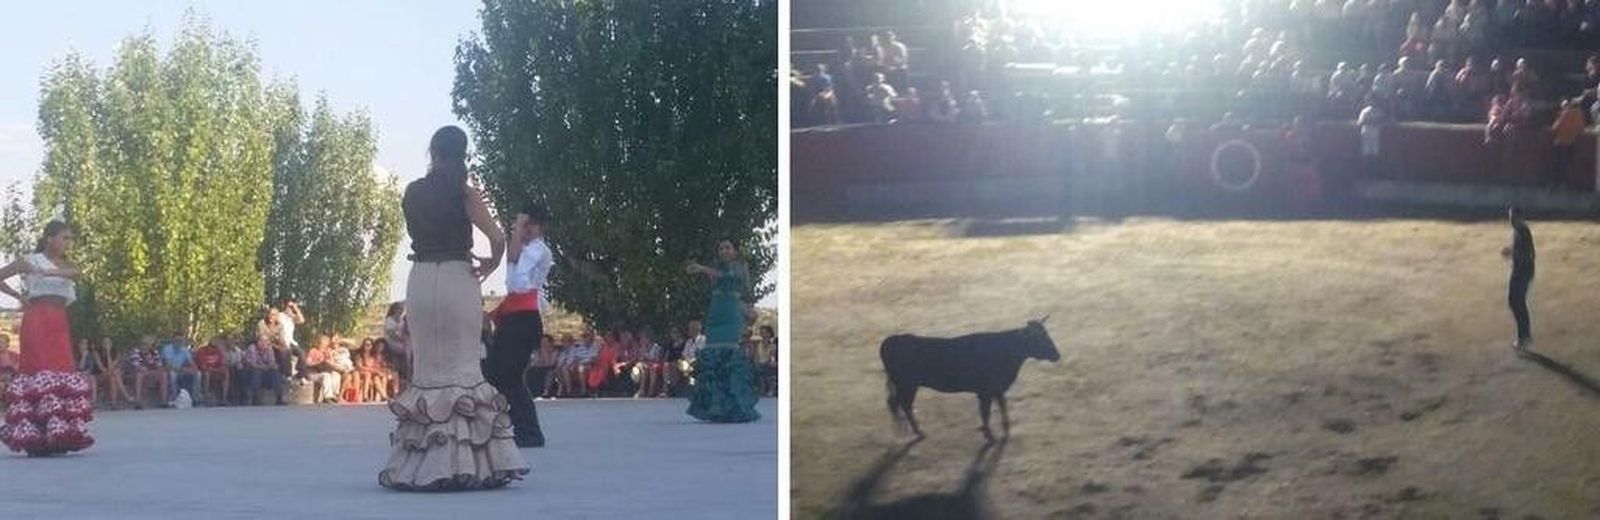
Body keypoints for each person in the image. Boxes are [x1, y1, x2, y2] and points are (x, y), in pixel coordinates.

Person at [379, 125, 528, 491]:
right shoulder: (464, 192)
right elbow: (495, 238)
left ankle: (418, 465)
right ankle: (467, 462)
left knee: (428, 370)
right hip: (457, 277)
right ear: (462, 153)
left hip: (420, 280)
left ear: (433, 152)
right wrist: (491, 263)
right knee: (463, 368)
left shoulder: (412, 192)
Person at [0, 221, 94, 455]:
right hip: (37, 319)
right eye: (64, 237)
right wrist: (18, 295)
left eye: (70, 238)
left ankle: (59, 435)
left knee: (62, 371)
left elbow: (76, 273)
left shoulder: (66, 265)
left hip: (58, 321)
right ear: (49, 238)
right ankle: (35, 437)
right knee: (40, 372)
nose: (68, 243)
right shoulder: (30, 260)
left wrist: (47, 271)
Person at [483, 204, 553, 447]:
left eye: (529, 224)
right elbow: (511, 269)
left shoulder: (538, 249)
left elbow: (514, 265)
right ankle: (512, 422)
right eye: (525, 224)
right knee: (495, 372)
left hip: (524, 317)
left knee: (510, 376)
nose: (526, 229)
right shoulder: (525, 247)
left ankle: (530, 431)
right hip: (514, 314)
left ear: (540, 226)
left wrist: (516, 229)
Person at [683, 241, 761, 423]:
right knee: (713, 358)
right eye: (721, 248)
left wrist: (702, 268)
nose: (724, 250)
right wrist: (703, 270)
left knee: (729, 357)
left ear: (735, 251)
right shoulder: (715, 269)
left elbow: (730, 279)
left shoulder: (741, 267)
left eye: (728, 247)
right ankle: (716, 407)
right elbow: (718, 282)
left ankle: (734, 407)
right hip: (715, 314)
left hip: (731, 316)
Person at [1504, 207, 1536, 352]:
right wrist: (1511, 251)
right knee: (1515, 302)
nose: (1511, 221)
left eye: (1513, 217)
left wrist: (1513, 254)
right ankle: (1524, 336)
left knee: (1516, 302)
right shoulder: (1519, 231)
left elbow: (1527, 254)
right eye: (1510, 217)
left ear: (1520, 217)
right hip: (1520, 271)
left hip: (1522, 272)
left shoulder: (1523, 232)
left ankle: (1524, 336)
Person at [1549, 98, 1586, 188]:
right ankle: (1564, 183)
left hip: (1560, 142)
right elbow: (1581, 128)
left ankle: (1555, 183)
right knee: (1567, 164)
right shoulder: (1579, 113)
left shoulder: (1564, 113)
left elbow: (1555, 127)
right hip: (1571, 142)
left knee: (1558, 164)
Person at [240, 339, 285, 406]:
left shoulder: (269, 348)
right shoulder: (252, 348)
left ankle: (279, 398)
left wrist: (269, 366)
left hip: (264, 371)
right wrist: (265, 367)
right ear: (257, 342)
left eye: (265, 341)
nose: (263, 343)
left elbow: (272, 362)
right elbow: (252, 364)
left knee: (275, 372)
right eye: (261, 341)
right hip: (250, 373)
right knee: (256, 372)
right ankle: (255, 398)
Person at [159, 336, 199, 405]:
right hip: (170, 370)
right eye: (177, 340)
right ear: (173, 341)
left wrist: (194, 369)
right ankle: (174, 397)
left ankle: (195, 397)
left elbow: (191, 362)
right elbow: (167, 365)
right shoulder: (167, 349)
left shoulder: (184, 350)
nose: (178, 342)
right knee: (173, 375)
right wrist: (181, 369)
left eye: (180, 341)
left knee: (198, 374)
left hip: (181, 369)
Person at [303, 337, 341, 404]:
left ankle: (334, 395)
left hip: (323, 371)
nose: (323, 346)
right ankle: (327, 397)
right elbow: (307, 363)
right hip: (313, 373)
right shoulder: (313, 351)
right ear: (318, 344)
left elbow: (332, 363)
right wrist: (318, 363)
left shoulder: (327, 352)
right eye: (322, 344)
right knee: (326, 376)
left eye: (325, 344)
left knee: (336, 375)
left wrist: (330, 357)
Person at [194, 337, 229, 406]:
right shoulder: (202, 351)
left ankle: (224, 398)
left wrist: (218, 369)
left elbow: (222, 364)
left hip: (215, 371)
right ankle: (205, 397)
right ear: (208, 346)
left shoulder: (218, 352)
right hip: (205, 372)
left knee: (226, 373)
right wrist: (214, 369)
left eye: (215, 347)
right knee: (207, 374)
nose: (213, 349)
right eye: (212, 347)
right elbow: (203, 367)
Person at [382, 302, 409, 389]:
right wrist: (400, 337)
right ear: (394, 310)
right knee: (395, 365)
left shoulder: (402, 320)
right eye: (399, 309)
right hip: (391, 345)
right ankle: (395, 387)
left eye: (402, 309)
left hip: (402, 345)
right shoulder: (389, 320)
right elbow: (391, 333)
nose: (401, 311)